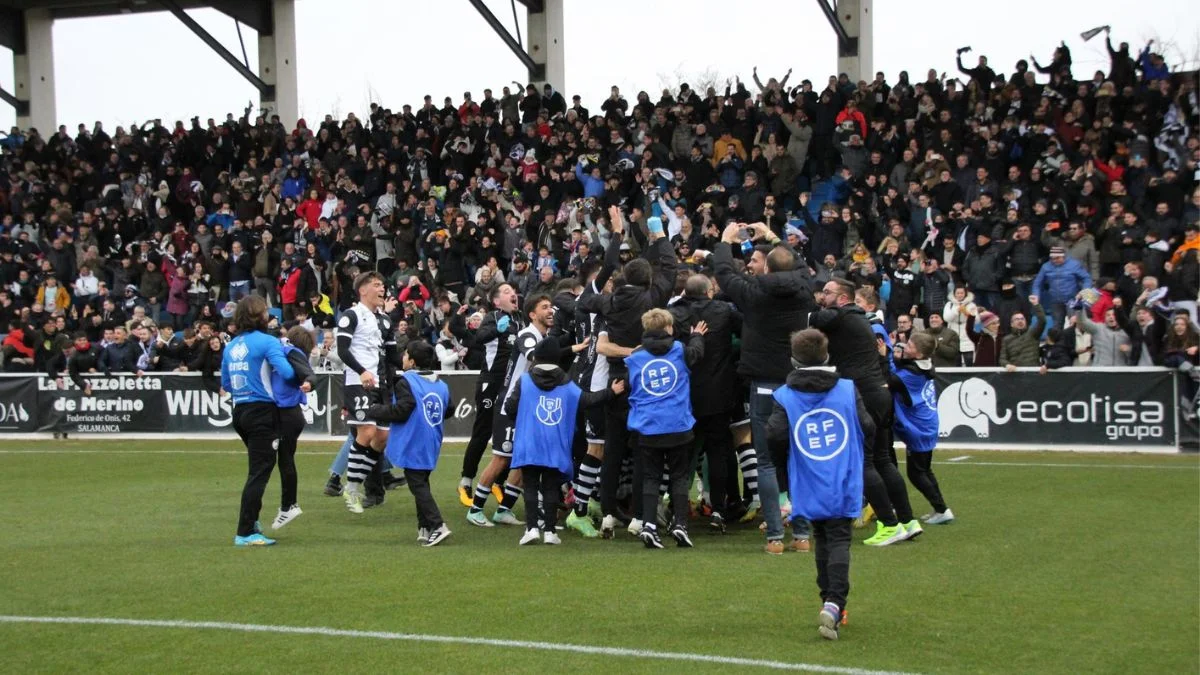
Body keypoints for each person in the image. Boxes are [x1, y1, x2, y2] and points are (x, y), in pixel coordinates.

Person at [710, 221, 815, 552]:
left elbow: (724, 274)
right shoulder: (804, 288)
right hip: (798, 383)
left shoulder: (754, 293)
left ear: (767, 266)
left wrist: (725, 241)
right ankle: (801, 535)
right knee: (798, 460)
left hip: (766, 384)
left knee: (766, 461)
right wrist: (772, 236)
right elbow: (800, 264)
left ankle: (774, 536)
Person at [765, 329, 871, 641]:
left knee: (822, 535)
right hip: (842, 472)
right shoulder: (847, 389)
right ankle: (835, 602)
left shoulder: (785, 395)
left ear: (794, 359)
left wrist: (785, 471)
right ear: (826, 356)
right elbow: (868, 425)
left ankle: (829, 598)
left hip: (807, 474)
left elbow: (774, 435)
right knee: (838, 537)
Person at [810, 278, 915, 546]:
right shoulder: (856, 318)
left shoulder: (842, 317)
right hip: (878, 394)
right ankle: (907, 521)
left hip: (864, 396)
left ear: (843, 299)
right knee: (882, 460)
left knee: (864, 462)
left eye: (828, 293)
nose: (823, 296)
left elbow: (813, 318)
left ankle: (889, 525)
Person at [505, 338, 624, 545]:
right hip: (555, 443)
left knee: (531, 486)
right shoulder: (566, 383)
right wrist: (611, 392)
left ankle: (532, 529)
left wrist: (525, 417)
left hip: (529, 442)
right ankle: (550, 532)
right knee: (551, 487)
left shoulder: (524, 381)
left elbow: (509, 408)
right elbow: (588, 400)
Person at [466, 292, 563, 527]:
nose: (550, 311)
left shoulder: (543, 336)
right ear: (532, 314)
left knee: (523, 461)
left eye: (551, 307)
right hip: (510, 406)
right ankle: (475, 510)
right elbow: (536, 357)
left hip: (527, 408)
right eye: (544, 307)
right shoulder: (527, 335)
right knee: (501, 459)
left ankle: (504, 509)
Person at [625, 308, 707, 549]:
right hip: (678, 423)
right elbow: (698, 353)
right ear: (669, 328)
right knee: (679, 476)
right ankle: (680, 524)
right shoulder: (680, 350)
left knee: (651, 476)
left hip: (648, 425)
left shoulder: (635, 357)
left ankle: (649, 524)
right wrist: (697, 335)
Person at [220, 295, 295, 547]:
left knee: (257, 468)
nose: (269, 315)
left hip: (240, 410)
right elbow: (287, 372)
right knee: (259, 472)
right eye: (265, 311)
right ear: (258, 315)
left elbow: (226, 384)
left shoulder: (231, 346)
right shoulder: (267, 342)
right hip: (263, 411)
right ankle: (245, 531)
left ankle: (251, 523)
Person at [369, 340, 454, 547]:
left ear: (412, 361)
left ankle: (438, 524)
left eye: (406, 355)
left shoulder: (406, 382)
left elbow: (402, 410)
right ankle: (423, 527)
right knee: (422, 481)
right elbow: (449, 409)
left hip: (414, 439)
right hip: (431, 439)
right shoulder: (440, 384)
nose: (403, 358)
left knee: (417, 485)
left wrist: (375, 410)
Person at [336, 272, 399, 514]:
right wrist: (361, 371)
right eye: (376, 285)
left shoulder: (380, 320)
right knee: (367, 431)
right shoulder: (351, 315)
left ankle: (354, 482)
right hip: (358, 382)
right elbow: (342, 350)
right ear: (362, 290)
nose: (382, 289)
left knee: (382, 438)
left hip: (380, 383)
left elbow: (390, 355)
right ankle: (351, 488)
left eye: (383, 284)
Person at [457, 283, 524, 507]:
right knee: (483, 431)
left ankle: (498, 481)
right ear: (496, 301)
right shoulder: (493, 317)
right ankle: (466, 481)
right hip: (491, 383)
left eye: (513, 291)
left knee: (510, 434)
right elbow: (479, 339)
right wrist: (498, 329)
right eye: (506, 292)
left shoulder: (521, 319)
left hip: (512, 387)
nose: (512, 293)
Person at [887, 332, 953, 525]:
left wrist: (887, 354)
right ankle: (940, 508)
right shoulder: (922, 366)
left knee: (916, 474)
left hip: (919, 428)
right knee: (924, 470)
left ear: (918, 354)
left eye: (909, 346)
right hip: (926, 424)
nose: (905, 347)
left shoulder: (911, 375)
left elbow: (890, 379)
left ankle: (942, 509)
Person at [268, 325, 317, 532]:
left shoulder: (291, 352)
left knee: (283, 459)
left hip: (288, 414)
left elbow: (310, 375)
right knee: (284, 458)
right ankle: (289, 505)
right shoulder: (286, 351)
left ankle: (290, 505)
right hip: (288, 414)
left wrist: (308, 383)